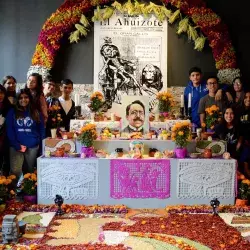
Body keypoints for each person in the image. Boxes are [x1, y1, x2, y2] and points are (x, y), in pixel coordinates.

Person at [6, 88, 45, 186]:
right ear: (17, 99)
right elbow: (10, 130)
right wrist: (17, 145)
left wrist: (41, 147)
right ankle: (11, 194)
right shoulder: (12, 112)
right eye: (21, 98)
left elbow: (41, 130)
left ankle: (27, 195)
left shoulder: (36, 112)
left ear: (30, 98)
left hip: (32, 147)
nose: (23, 100)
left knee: (29, 172)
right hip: (16, 147)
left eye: (26, 97)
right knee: (15, 172)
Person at [0, 85, 11, 176]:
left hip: (6, 138)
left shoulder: (9, 107)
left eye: (2, 93)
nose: (0, 95)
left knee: (6, 162)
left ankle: (5, 186)